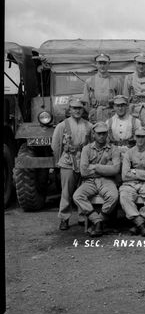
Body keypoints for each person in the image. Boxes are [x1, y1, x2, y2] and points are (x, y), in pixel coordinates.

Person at [51, 98, 93, 230]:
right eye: (74, 108)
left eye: (79, 108)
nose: (77, 111)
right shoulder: (62, 125)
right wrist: (59, 161)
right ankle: (64, 218)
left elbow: (92, 145)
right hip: (68, 161)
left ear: (83, 110)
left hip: (84, 162)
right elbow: (56, 145)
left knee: (83, 190)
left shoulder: (89, 126)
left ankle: (82, 216)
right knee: (66, 191)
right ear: (69, 110)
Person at [73, 122, 120, 237]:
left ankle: (100, 220)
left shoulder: (113, 149)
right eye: (99, 134)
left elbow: (115, 169)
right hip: (90, 182)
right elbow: (83, 171)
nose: (102, 136)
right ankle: (97, 220)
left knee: (113, 196)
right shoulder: (86, 149)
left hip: (107, 181)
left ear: (107, 134)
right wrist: (106, 168)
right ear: (93, 134)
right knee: (77, 196)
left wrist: (95, 167)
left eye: (104, 133)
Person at [119, 127, 145, 237]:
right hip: (130, 184)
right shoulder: (129, 153)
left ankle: (138, 223)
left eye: (143, 136)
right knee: (124, 196)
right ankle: (141, 223)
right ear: (134, 137)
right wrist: (144, 173)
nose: (140, 139)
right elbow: (125, 175)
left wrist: (135, 171)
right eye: (138, 136)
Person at [81, 53, 124, 123]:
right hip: (95, 116)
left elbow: (121, 101)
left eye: (104, 63)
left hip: (112, 116)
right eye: (100, 63)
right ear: (96, 64)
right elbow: (85, 102)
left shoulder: (116, 81)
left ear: (109, 64)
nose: (102, 66)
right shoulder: (89, 81)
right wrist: (92, 112)